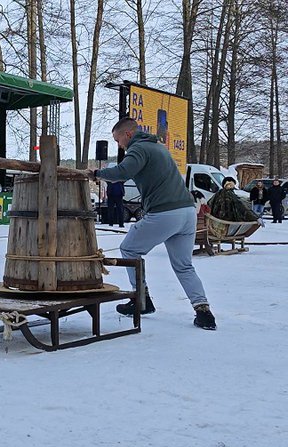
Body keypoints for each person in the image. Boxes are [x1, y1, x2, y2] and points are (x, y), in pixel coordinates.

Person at [87, 117, 216, 330]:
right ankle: (204, 312)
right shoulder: (158, 147)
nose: (119, 145)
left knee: (129, 248)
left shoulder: (138, 149)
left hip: (165, 212)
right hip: (187, 212)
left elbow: (122, 172)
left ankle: (141, 300)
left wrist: (96, 174)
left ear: (128, 134)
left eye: (118, 140)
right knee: (184, 266)